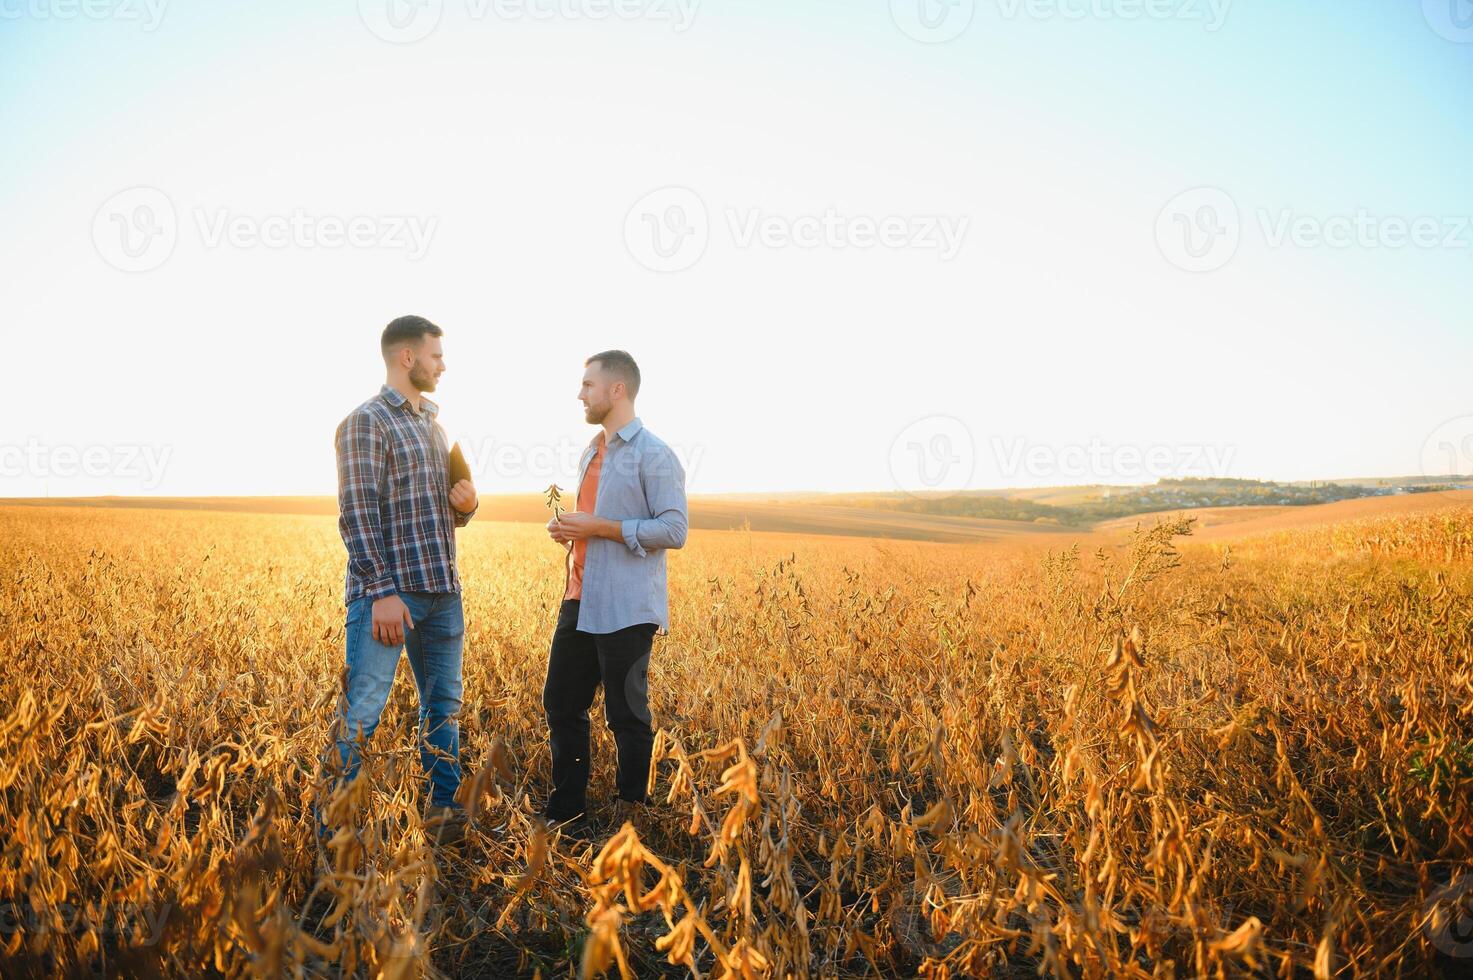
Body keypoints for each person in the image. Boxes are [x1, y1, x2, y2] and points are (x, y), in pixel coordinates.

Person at [323, 315, 479, 847]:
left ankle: (442, 814)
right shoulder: (366, 422)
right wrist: (382, 591)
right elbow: (357, 513)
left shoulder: (434, 426)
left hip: (443, 591)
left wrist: (467, 507)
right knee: (363, 709)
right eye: (436, 355)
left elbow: (435, 514)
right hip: (390, 594)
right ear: (407, 357)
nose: (443, 364)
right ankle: (335, 833)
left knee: (443, 705)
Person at [542, 350, 688, 832]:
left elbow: (674, 529)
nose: (580, 393)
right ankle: (567, 810)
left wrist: (602, 527)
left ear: (617, 390)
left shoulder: (655, 454)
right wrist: (571, 529)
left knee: (627, 715)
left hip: (626, 606)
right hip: (579, 598)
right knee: (561, 703)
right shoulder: (591, 451)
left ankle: (632, 818)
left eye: (588, 384)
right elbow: (594, 519)